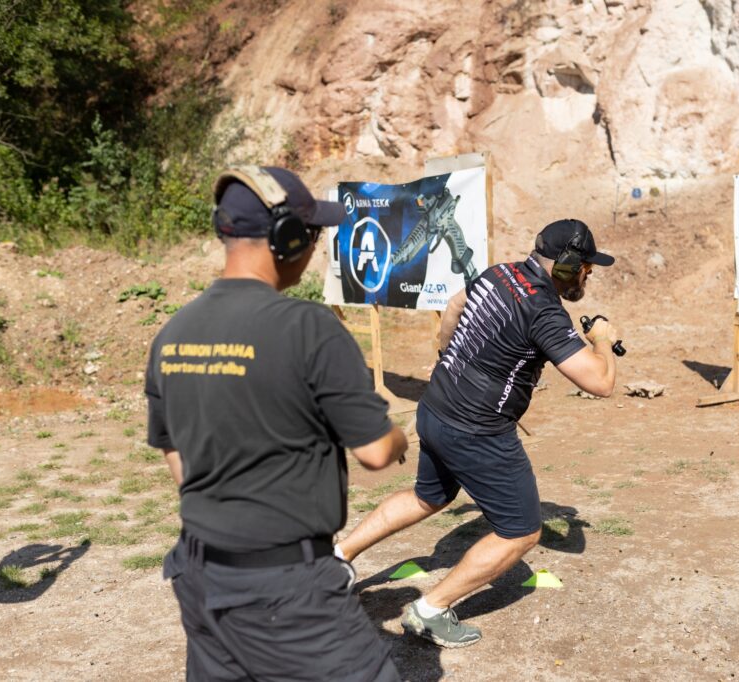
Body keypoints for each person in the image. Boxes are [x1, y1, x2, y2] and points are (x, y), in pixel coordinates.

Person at [144, 165, 408, 681]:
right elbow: (376, 451)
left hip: (199, 570)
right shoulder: (308, 326)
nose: (314, 248)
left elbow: (176, 453)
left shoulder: (173, 332)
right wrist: (398, 436)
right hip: (284, 587)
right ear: (287, 237)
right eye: (313, 235)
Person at [339, 218, 619, 647]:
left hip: (436, 405)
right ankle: (430, 610)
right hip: (477, 431)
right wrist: (602, 340)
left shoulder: (498, 273)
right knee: (521, 531)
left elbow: (454, 308)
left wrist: (448, 358)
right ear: (565, 265)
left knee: (427, 497)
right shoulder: (544, 311)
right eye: (585, 266)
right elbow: (600, 382)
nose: (588, 274)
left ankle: (337, 558)